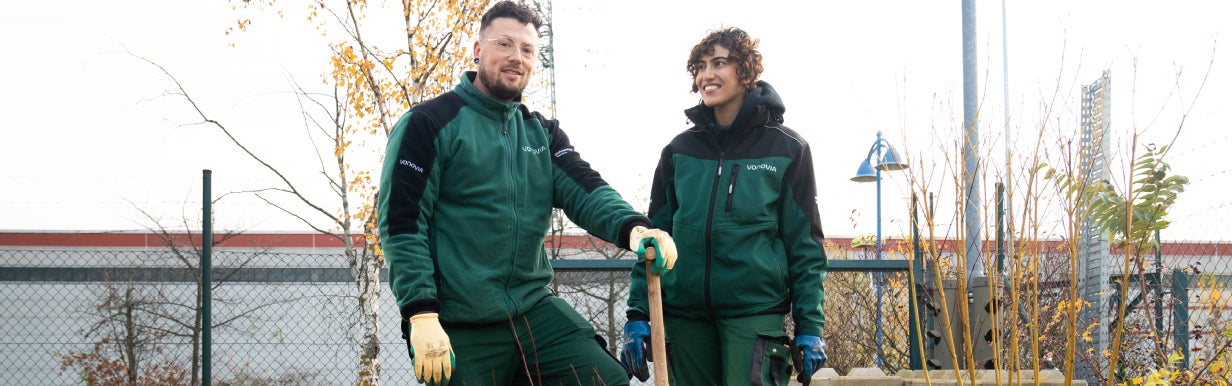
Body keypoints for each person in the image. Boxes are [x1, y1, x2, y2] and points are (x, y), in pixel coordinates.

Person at [376, 2, 678, 385]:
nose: (516, 57)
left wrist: (635, 228)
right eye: (504, 44)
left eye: (527, 49)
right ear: (477, 49)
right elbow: (402, 224)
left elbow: (587, 189)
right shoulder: (429, 124)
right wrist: (420, 313)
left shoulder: (542, 134)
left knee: (606, 380)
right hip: (458, 320)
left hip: (533, 311)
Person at [621, 27, 828, 386]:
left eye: (720, 63)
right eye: (700, 67)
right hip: (684, 317)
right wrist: (638, 312)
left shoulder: (787, 149)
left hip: (754, 315)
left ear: (746, 72)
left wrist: (810, 325)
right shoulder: (679, 151)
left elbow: (805, 245)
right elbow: (652, 238)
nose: (707, 75)